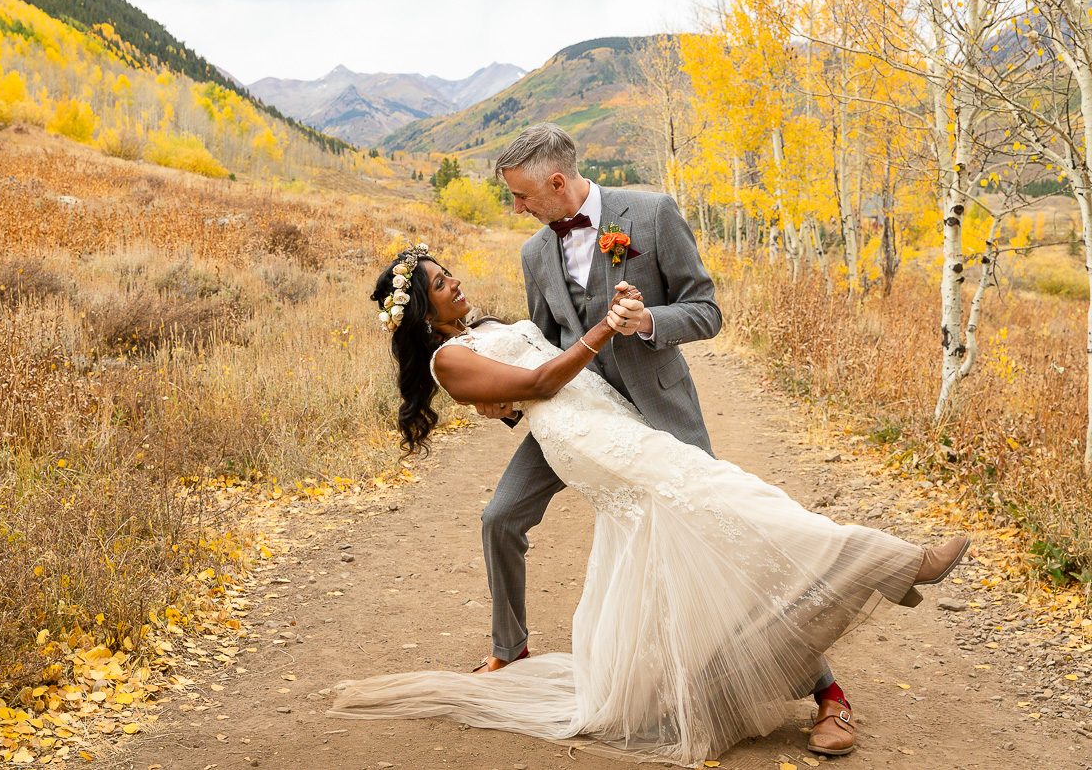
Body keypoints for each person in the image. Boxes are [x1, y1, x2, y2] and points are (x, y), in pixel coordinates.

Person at [332, 245, 970, 765]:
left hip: (619, 421)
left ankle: (743, 675)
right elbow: (534, 382)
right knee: (730, 497)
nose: (457, 284)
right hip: (590, 442)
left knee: (693, 540)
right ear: (421, 309)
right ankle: (892, 562)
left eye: (451, 274)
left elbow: (540, 358)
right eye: (442, 285)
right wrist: (599, 332)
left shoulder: (490, 328)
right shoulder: (450, 358)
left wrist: (622, 319)